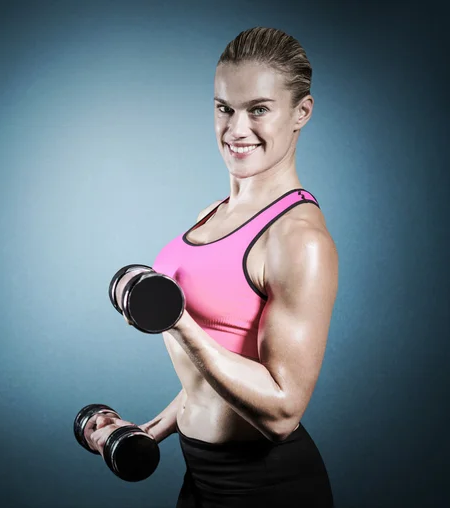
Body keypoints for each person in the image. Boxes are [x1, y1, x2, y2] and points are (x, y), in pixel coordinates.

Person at [89, 26, 338, 507]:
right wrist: (147, 431)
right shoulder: (213, 212)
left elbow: (283, 409)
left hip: (267, 488)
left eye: (258, 110)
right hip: (201, 475)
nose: (236, 129)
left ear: (300, 113)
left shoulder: (298, 238)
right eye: (225, 108)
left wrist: (177, 322)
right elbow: (212, 370)